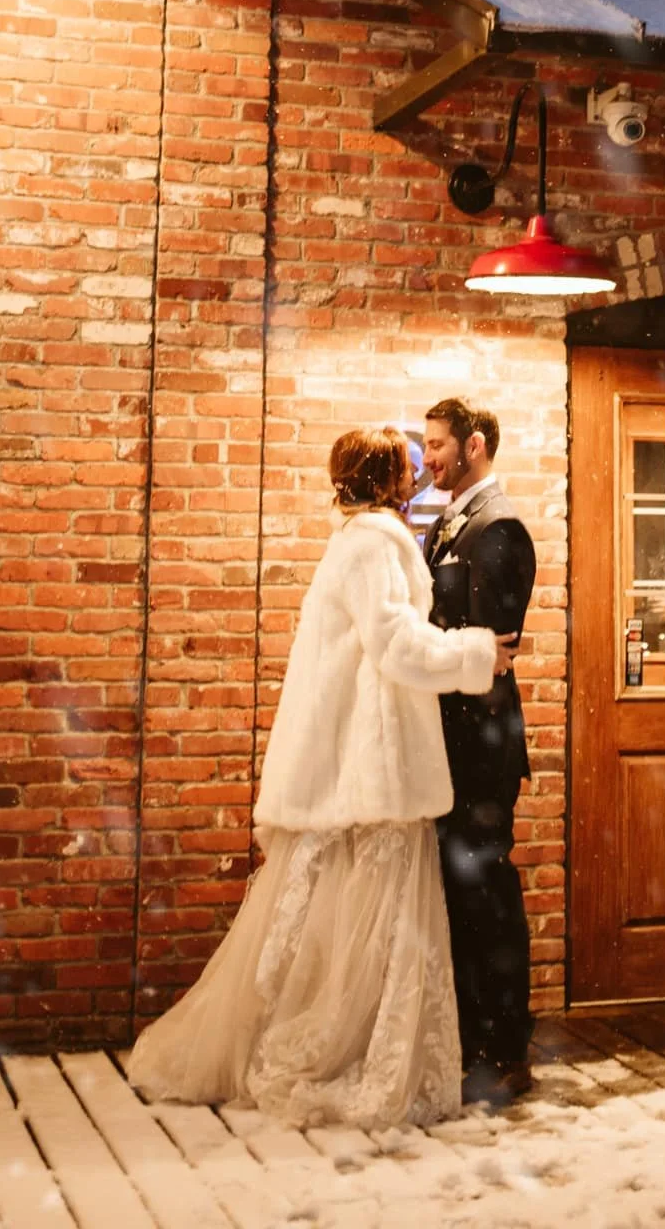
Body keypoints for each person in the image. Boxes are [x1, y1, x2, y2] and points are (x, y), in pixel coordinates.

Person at [126, 425, 516, 1128]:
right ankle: (346, 1054)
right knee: (379, 919)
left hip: (356, 762)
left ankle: (339, 1039)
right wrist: (476, 653)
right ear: (386, 478)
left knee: (343, 918)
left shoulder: (355, 540)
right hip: (376, 763)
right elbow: (394, 643)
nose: (416, 471)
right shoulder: (375, 543)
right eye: (405, 464)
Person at [421, 397, 538, 1106]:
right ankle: (468, 1038)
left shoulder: (501, 528)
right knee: (459, 897)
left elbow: (492, 649)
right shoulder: (447, 524)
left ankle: (505, 1048)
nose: (427, 457)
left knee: (487, 894)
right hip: (449, 742)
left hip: (481, 744)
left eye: (437, 445)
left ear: (473, 446)